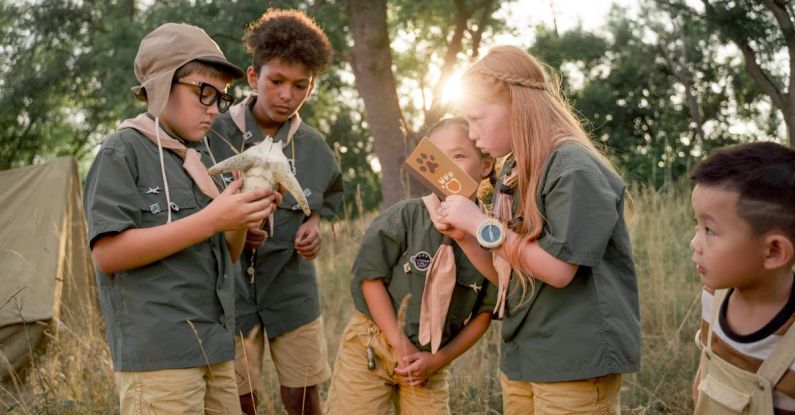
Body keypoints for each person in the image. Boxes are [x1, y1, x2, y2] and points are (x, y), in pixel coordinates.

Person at [83, 23, 281, 414]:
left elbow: (228, 255)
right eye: (203, 92)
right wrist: (212, 219)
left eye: (221, 98)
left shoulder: (207, 159)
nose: (213, 108)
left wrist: (241, 218)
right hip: (161, 358)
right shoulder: (122, 152)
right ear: (161, 84)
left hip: (216, 348)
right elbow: (107, 254)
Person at [435, 45, 640, 414]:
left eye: (477, 118)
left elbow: (558, 270)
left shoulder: (573, 168)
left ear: (518, 105)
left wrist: (480, 224)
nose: (472, 134)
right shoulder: (516, 170)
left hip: (573, 360)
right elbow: (508, 273)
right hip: (526, 356)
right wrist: (465, 235)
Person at [205, 9, 342, 415]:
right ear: (253, 77)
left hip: (291, 286)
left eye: (300, 86)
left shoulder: (314, 146)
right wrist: (233, 229)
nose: (287, 95)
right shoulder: (213, 134)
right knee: (240, 398)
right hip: (229, 290)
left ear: (311, 86)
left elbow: (326, 200)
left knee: (303, 397)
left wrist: (314, 225)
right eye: (276, 81)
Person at [324, 117, 498, 414]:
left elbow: (484, 315)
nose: (449, 167)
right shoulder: (404, 217)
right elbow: (370, 280)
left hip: (429, 362)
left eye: (458, 156)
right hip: (373, 345)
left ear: (486, 165)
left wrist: (438, 360)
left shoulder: (492, 237)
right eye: (439, 158)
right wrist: (399, 344)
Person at [689, 142, 795, 414]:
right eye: (696, 225)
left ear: (773, 251)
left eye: (709, 230)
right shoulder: (713, 296)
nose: (694, 243)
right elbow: (705, 370)